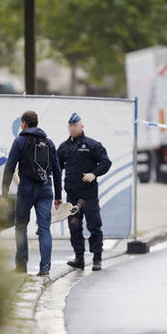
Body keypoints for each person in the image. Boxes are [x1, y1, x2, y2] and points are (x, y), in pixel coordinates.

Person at [2, 110, 63, 276]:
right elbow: (57, 171)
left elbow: (9, 167)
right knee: (44, 229)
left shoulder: (19, 141)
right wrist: (58, 196)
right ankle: (45, 269)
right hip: (45, 189)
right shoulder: (49, 143)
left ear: (23, 123)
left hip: (26, 189)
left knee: (21, 226)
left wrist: (4, 192)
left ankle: (21, 266)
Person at [57, 113, 112, 271]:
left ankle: (97, 258)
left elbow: (106, 162)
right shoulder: (64, 147)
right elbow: (57, 166)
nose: (72, 128)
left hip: (89, 195)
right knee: (74, 226)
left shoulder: (91, 145)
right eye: (70, 126)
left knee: (94, 225)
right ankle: (79, 258)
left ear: (82, 126)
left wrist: (94, 174)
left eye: (75, 125)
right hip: (72, 195)